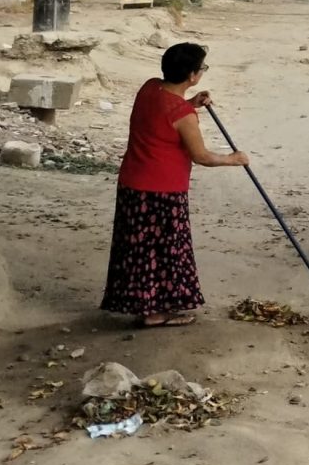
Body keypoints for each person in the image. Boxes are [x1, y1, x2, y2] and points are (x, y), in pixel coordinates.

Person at [101, 42, 248, 327]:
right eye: (202, 68)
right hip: (162, 192)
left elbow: (162, 114)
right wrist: (233, 159)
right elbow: (201, 156)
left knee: (139, 248)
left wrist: (190, 102)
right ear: (192, 76)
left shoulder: (150, 88)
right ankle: (156, 313)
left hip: (132, 184)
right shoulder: (183, 116)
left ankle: (143, 304)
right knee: (164, 250)